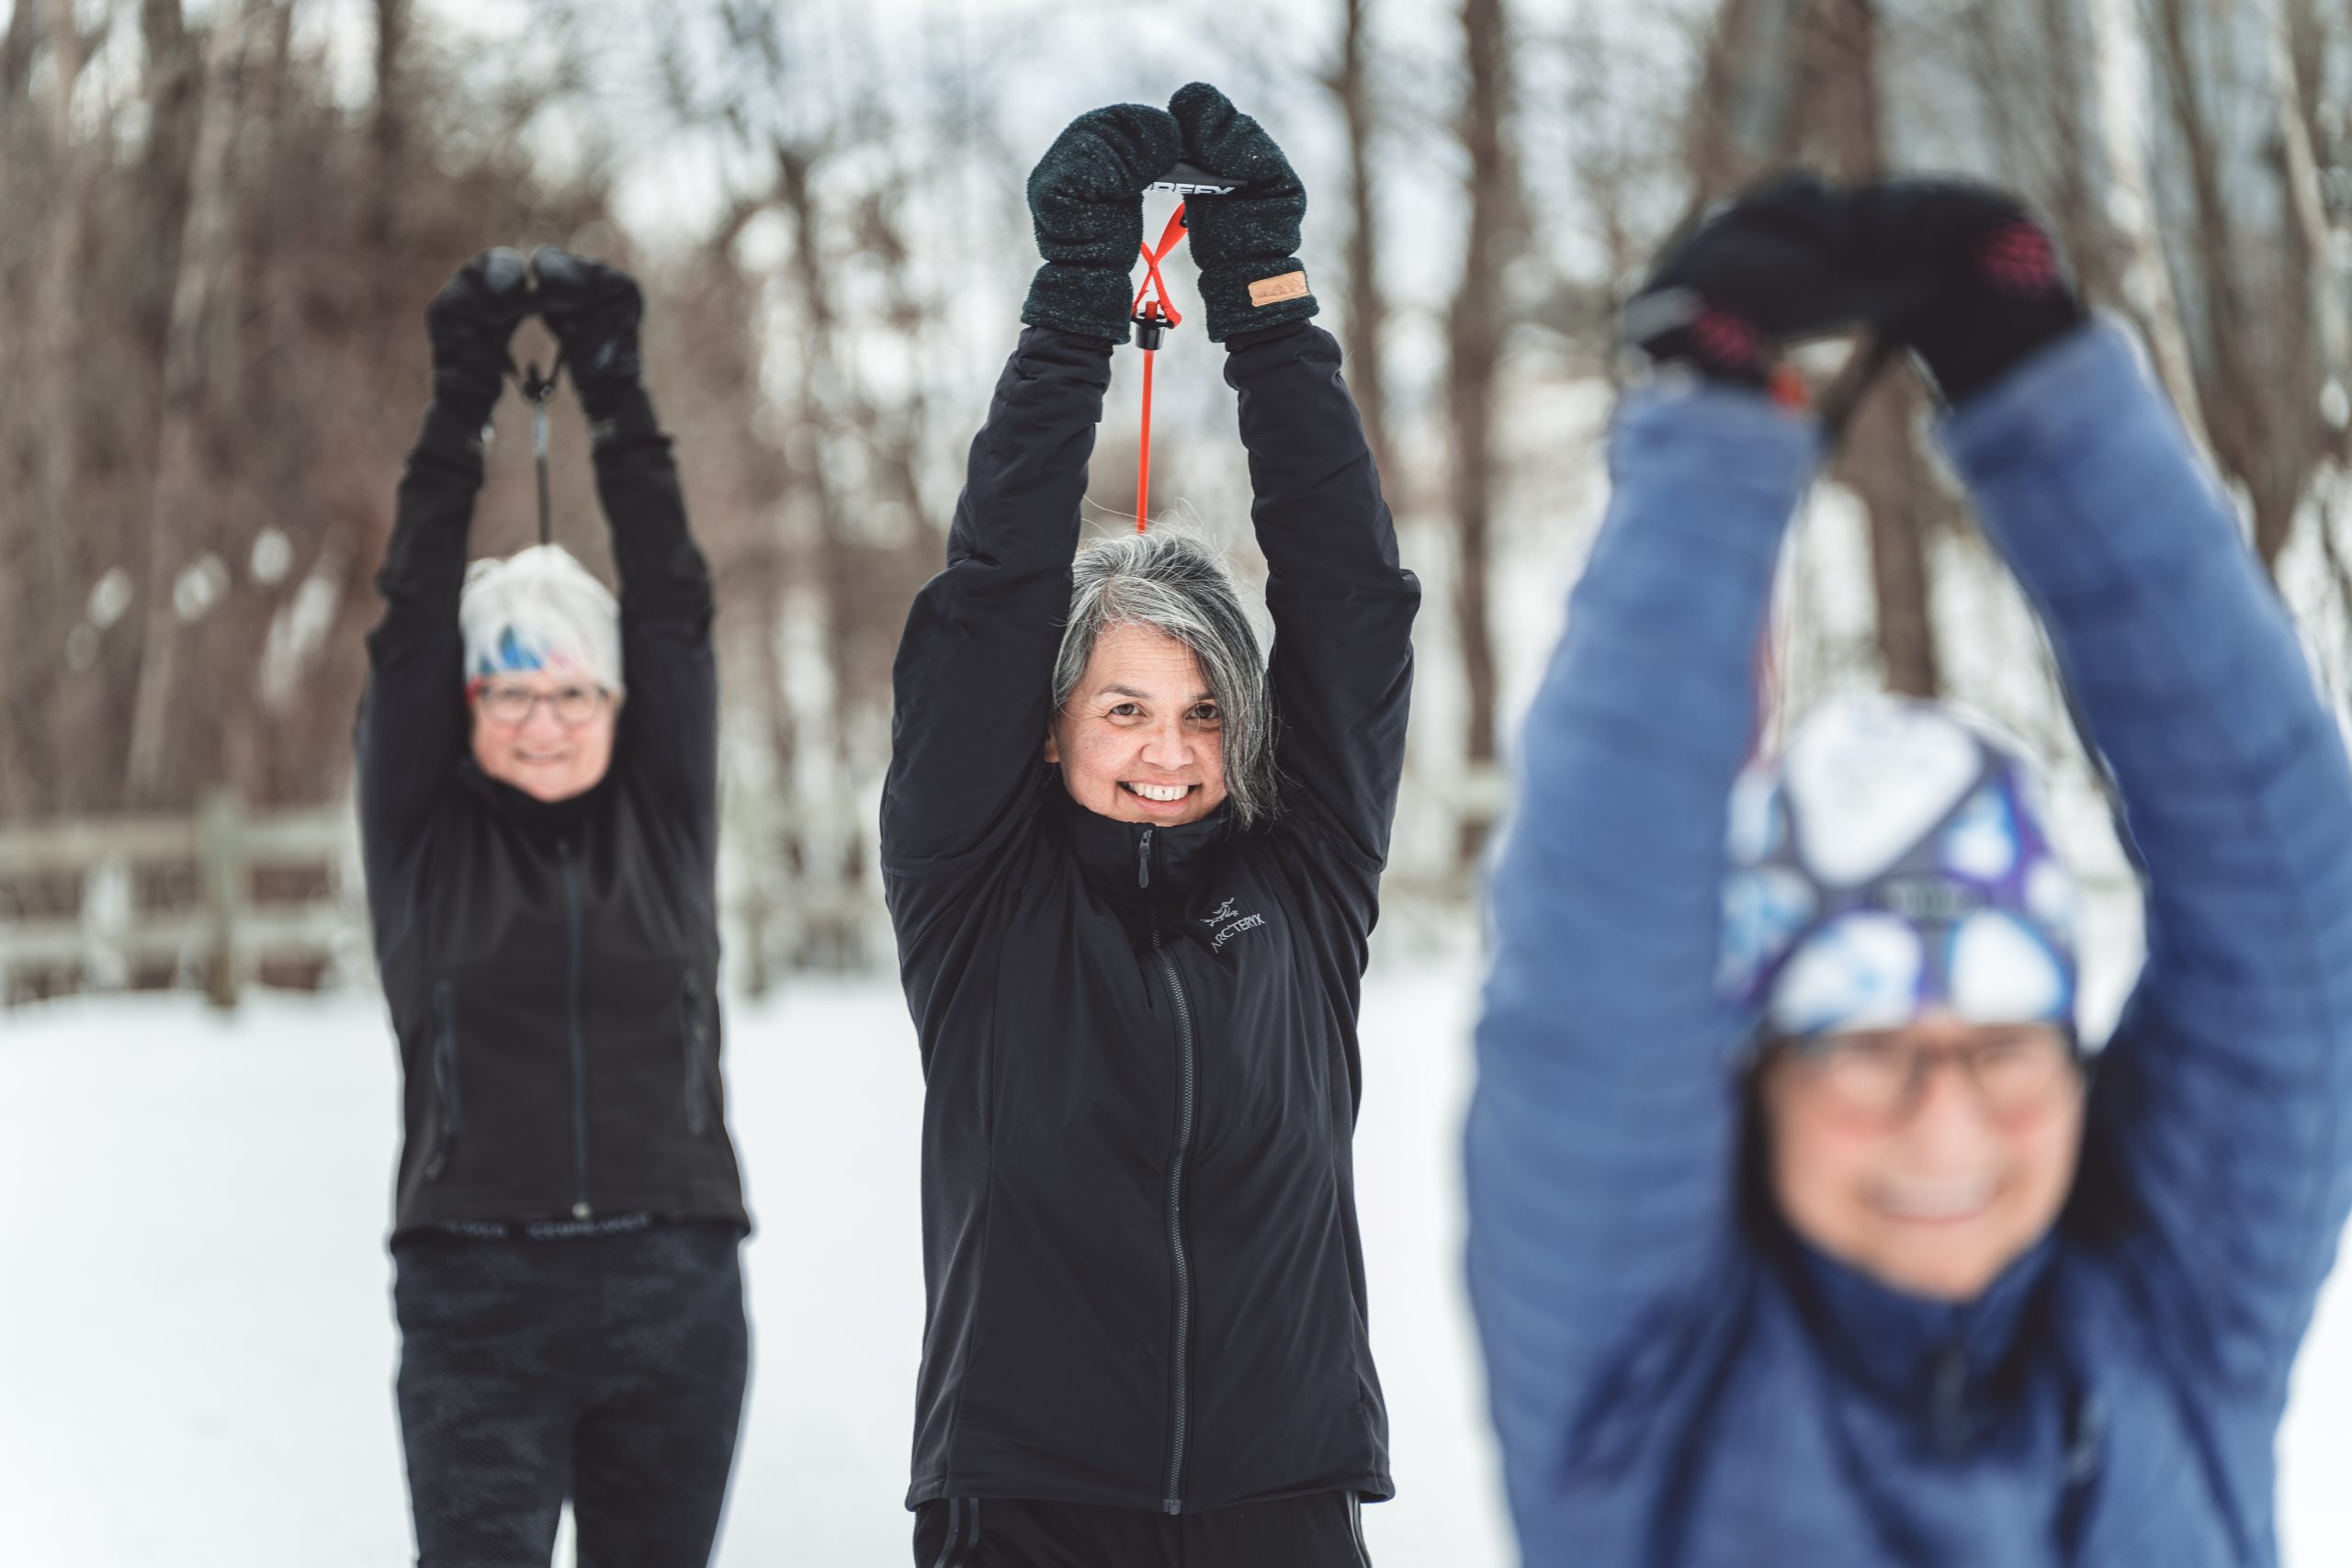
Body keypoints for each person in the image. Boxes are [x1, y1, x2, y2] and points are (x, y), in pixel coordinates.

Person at [1465, 174, 2352, 1565]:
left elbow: (2289, 900)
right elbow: (1597, 960)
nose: (1948, 1127)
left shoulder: (2177, 1326)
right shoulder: (1644, 1403)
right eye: (1864, 1046)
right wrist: (1705, 445)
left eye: (2002, 1043)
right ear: (1755, 1067)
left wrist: (2037, 385)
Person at [881, 83, 1418, 1568]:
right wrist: (1073, 316)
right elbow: (990, 601)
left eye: (1200, 712)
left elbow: (1353, 609)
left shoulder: (1304, 886)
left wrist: (1268, 310)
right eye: (1123, 708)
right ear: (1050, 728)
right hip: (1028, 1503)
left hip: (1284, 1496)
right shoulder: (975, 897)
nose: (1170, 753)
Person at [356, 246, 751, 1568]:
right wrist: (462, 398)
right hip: (477, 1298)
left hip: (676, 1294)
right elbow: (412, 618)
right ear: (469, 708)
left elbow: (677, 608)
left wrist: (615, 393)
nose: (540, 718)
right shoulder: (425, 835)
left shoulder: (664, 817)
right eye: (508, 692)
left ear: (616, 703)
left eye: (570, 689)